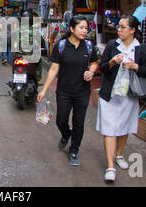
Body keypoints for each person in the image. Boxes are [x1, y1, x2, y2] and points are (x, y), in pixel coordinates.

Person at [96, 15, 146, 182]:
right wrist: (112, 62)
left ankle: (119, 155)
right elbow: (102, 68)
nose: (118, 30)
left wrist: (135, 66)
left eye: (122, 27)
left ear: (133, 30)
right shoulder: (113, 45)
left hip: (130, 95)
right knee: (109, 129)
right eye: (118, 27)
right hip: (110, 95)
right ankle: (110, 166)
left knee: (124, 126)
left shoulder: (142, 49)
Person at [37, 16, 99, 166]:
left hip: (82, 92)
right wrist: (44, 90)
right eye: (81, 28)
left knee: (79, 123)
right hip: (64, 91)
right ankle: (66, 134)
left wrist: (91, 72)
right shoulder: (61, 46)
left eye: (86, 28)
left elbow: (94, 63)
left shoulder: (89, 47)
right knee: (61, 120)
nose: (85, 31)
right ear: (72, 29)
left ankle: (74, 151)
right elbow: (53, 69)